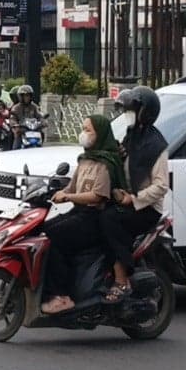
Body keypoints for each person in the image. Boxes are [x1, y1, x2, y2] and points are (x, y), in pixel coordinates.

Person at [41, 114, 126, 314]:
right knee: (44, 230)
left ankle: (61, 295)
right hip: (78, 213)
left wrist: (69, 197)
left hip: (94, 218)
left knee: (55, 237)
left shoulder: (106, 163)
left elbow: (98, 196)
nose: (83, 134)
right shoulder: (86, 159)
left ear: (101, 134)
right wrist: (57, 192)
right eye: (84, 128)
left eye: (88, 130)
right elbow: (71, 187)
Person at [100, 86, 169, 303]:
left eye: (132, 110)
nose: (128, 114)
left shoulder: (156, 146)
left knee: (108, 219)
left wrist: (134, 199)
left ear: (144, 112)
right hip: (125, 198)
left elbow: (161, 186)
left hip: (146, 208)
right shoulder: (131, 136)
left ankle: (122, 279)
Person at [10, 85, 43, 149]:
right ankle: (14, 154)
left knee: (42, 134)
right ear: (20, 96)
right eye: (25, 96)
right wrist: (15, 124)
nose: (27, 97)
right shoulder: (16, 108)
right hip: (22, 130)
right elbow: (12, 117)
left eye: (28, 95)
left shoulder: (34, 107)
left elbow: (39, 115)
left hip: (34, 129)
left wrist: (43, 120)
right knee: (16, 143)